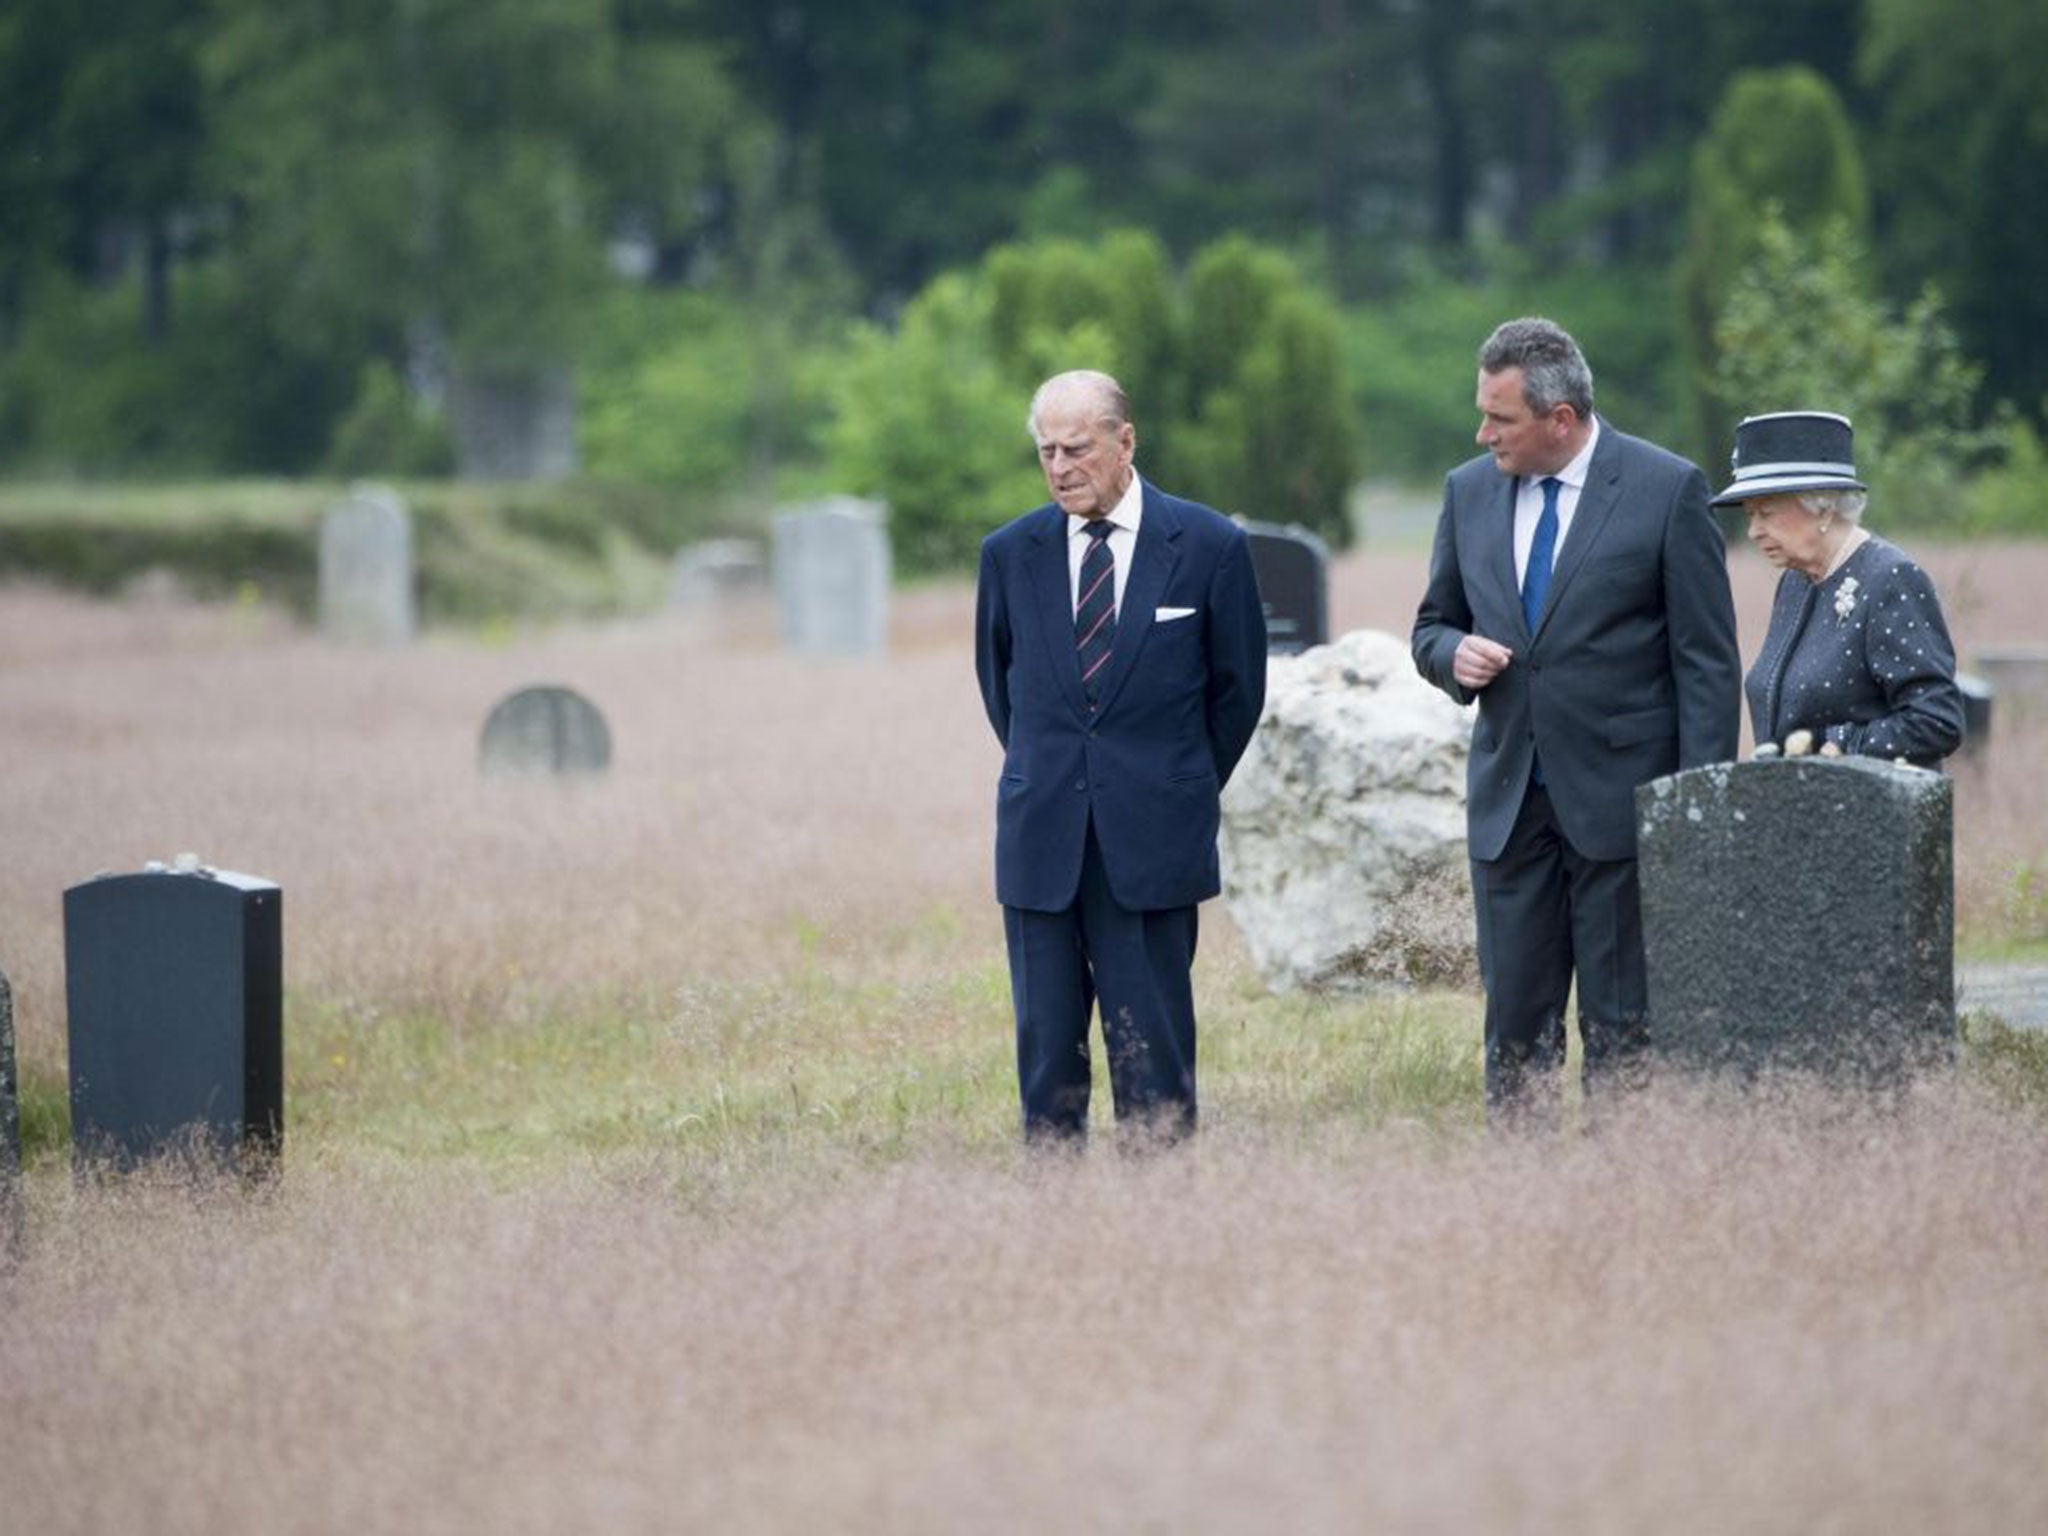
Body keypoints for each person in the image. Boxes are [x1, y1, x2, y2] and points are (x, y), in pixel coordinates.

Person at [1412, 318, 1741, 1123]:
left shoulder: (1667, 489)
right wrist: (1453, 655)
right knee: (1515, 1028)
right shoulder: (1468, 490)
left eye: (1501, 418)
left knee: (1624, 1028)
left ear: (1561, 420)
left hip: (1624, 812)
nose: (1482, 432)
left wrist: (1690, 812)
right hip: (1509, 808)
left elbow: (1706, 665)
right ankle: (1523, 1206)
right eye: (1482, 412)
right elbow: (1430, 627)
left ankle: (1618, 1199)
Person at [974, 370, 1267, 1143]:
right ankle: (1061, 1236)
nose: (1061, 467)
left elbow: (1237, 695)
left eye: (1077, 448)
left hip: (1153, 842)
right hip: (1042, 840)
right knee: (1047, 1066)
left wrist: (1174, 785)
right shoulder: (1010, 555)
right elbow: (1003, 692)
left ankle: (1160, 1233)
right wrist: (1064, 777)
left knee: (1156, 1068)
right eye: (1047, 452)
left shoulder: (1208, 546)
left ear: (1125, 441)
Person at [1716, 410, 1964, 765]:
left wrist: (1840, 745)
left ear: (1823, 509)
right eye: (1749, 515)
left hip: (1872, 814)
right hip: (1795, 812)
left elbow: (1937, 720)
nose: (1754, 531)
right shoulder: (1794, 581)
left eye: (1766, 513)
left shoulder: (1890, 579)